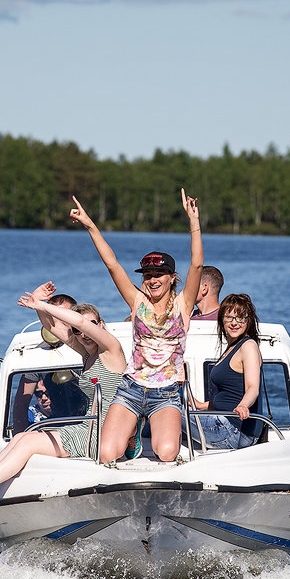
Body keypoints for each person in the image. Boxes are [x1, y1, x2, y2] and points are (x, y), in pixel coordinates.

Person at [0, 290, 127, 510]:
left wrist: (46, 306)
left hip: (105, 432)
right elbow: (54, 327)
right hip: (87, 427)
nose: (84, 332)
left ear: (100, 324)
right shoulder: (87, 354)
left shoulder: (112, 349)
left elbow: (81, 324)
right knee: (21, 438)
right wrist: (38, 304)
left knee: (27, 442)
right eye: (77, 330)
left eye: (91, 325)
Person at [70, 189, 203, 464]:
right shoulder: (137, 301)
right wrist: (90, 225)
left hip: (166, 393)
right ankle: (132, 434)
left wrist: (193, 222)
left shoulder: (184, 304)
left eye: (159, 275)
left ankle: (140, 428)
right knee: (107, 454)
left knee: (167, 453)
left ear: (172, 277)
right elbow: (112, 264)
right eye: (148, 275)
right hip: (130, 388)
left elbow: (198, 264)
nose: (153, 280)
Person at [187, 293, 263, 450]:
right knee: (169, 409)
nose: (234, 323)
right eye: (229, 317)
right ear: (222, 319)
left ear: (248, 321)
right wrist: (200, 406)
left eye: (240, 318)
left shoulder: (248, 346)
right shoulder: (231, 349)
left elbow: (252, 388)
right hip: (225, 424)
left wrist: (243, 406)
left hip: (234, 431)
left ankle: (135, 440)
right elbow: (230, 395)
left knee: (168, 412)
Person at [12, 287, 76, 431]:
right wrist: (20, 437)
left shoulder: (88, 347)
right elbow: (22, 403)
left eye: (63, 316)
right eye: (53, 316)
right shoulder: (38, 356)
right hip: (55, 425)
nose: (58, 323)